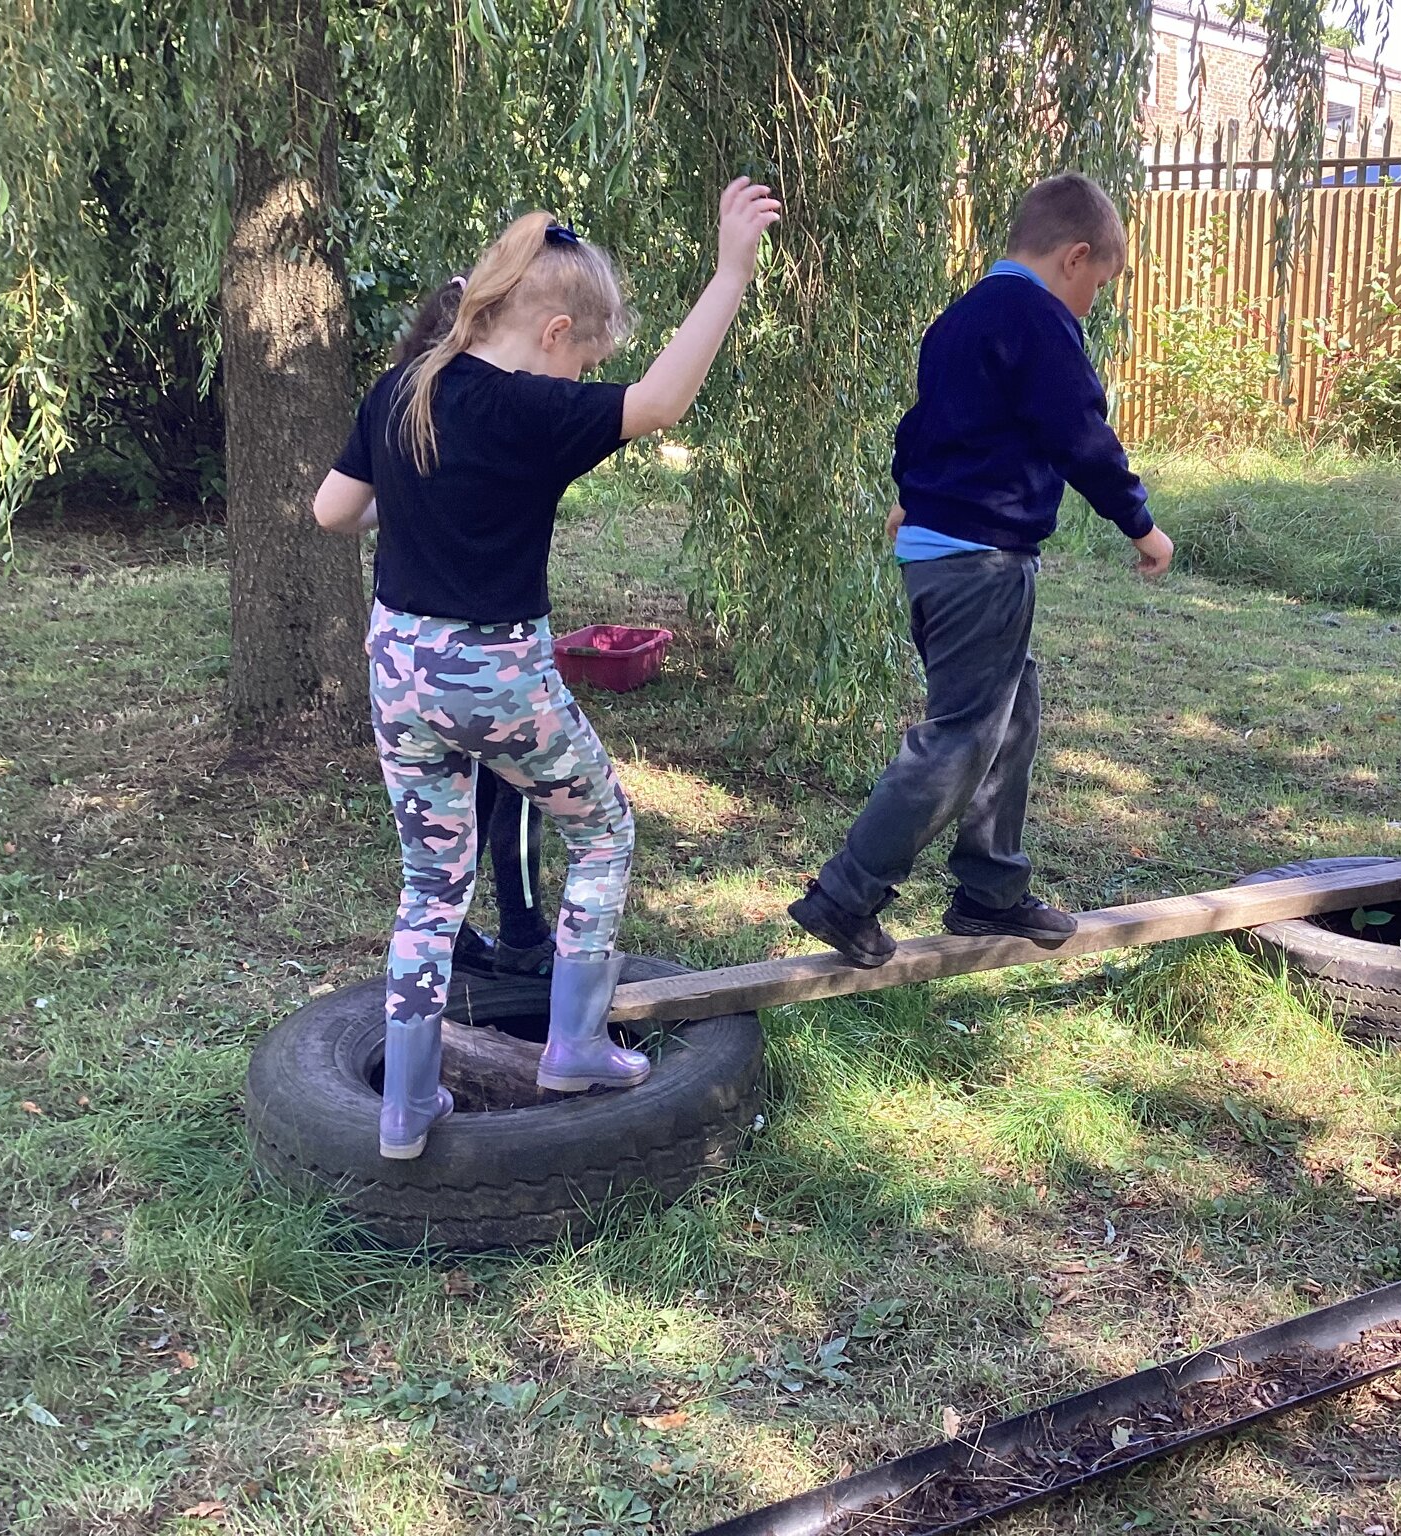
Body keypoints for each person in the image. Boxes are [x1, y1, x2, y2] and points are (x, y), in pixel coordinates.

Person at [313, 181, 781, 1159]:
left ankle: (402, 1109)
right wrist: (731, 269)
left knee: (429, 883)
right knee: (604, 831)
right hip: (495, 675)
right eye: (585, 361)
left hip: (397, 670)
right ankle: (573, 1041)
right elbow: (661, 399)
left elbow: (332, 513)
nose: (583, 380)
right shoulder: (530, 410)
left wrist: (407, 504)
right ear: (555, 330)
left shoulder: (400, 389)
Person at [789, 173, 1175, 968]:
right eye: (1099, 285)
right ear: (1075, 259)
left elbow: (926, 425)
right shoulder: (1038, 321)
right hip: (982, 562)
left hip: (935, 554)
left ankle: (989, 889)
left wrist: (912, 497)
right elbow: (1080, 436)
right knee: (961, 734)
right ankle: (848, 892)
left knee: (1012, 707)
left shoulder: (960, 318)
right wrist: (1143, 527)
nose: (1093, 302)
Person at [389, 277, 559, 981]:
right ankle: (521, 934)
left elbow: (340, 508)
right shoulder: (487, 407)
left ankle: (449, 937)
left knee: (441, 816)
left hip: (405, 658)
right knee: (526, 785)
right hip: (491, 649)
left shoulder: (398, 401)